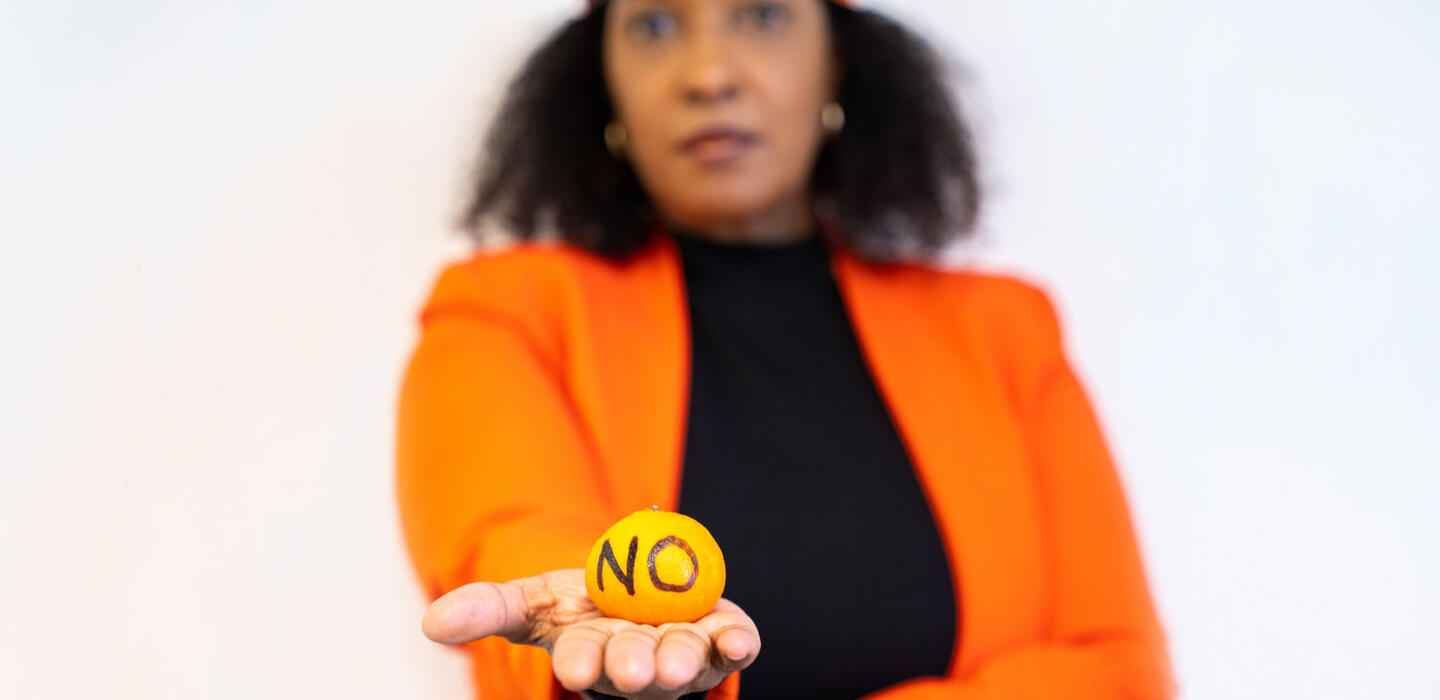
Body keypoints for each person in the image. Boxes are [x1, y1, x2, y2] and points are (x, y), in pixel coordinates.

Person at [396, 0, 1176, 698]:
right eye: (655, 25)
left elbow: (1121, 673)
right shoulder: (503, 313)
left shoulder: (1004, 329)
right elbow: (515, 530)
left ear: (836, 56)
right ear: (603, 75)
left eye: (763, 14)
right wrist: (607, 624)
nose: (708, 73)